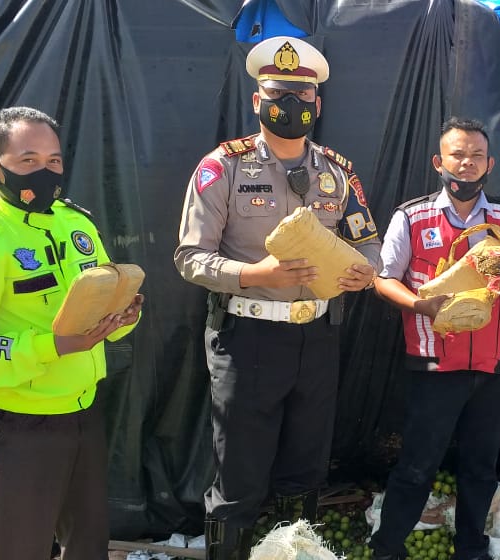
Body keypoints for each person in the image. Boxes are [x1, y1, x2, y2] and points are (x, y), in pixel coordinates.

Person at [174, 36, 382, 560]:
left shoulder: (337, 171)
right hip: (248, 338)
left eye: (302, 95)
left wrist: (365, 273)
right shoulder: (222, 166)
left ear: (318, 103)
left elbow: (369, 243)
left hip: (318, 336)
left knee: (306, 469)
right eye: (278, 93)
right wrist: (252, 272)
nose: (291, 105)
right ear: (256, 100)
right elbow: (190, 258)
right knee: (240, 473)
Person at [0, 106, 143, 559]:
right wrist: (51, 347)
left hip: (83, 413)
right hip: (18, 427)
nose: (45, 172)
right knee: (21, 551)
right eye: (28, 160)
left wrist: (122, 316)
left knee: (87, 547)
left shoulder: (76, 224)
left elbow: (98, 305)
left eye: (54, 161)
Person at [369, 117, 500, 560]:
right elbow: (383, 279)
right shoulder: (412, 216)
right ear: (439, 161)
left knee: (481, 467)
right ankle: (387, 547)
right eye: (457, 155)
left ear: (490, 165)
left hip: (494, 363)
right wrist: (420, 306)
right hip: (434, 363)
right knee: (416, 466)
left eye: (476, 157)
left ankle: (471, 547)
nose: (466, 165)